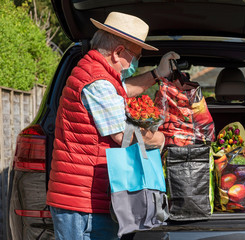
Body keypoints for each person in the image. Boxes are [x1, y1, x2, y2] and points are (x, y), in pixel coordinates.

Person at [46, 12, 180, 239]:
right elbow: (123, 135)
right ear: (118, 53)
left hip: (88, 197)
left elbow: (121, 92)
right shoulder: (97, 82)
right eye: (135, 57)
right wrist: (163, 140)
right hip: (82, 204)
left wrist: (157, 74)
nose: (134, 64)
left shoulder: (96, 73)